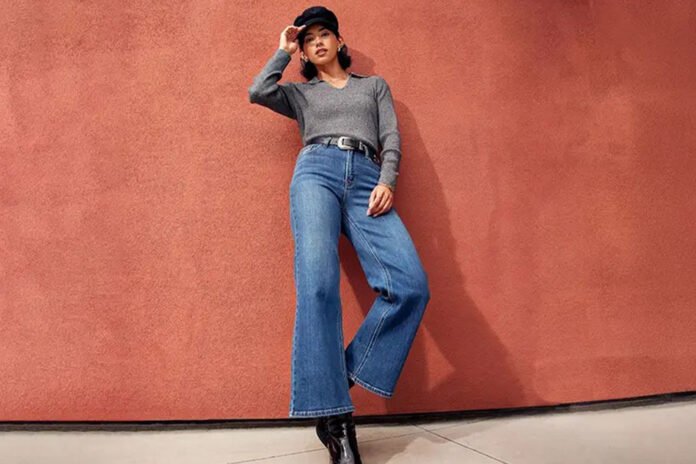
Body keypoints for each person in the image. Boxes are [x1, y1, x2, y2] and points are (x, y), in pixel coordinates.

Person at [248, 6, 431, 464]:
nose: (317, 42)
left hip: (368, 178)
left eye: (324, 34)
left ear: (339, 41)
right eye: (308, 39)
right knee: (318, 286)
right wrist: (282, 50)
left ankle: (332, 381)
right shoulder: (301, 94)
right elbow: (258, 90)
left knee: (410, 285)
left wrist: (388, 180)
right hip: (316, 173)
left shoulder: (373, 86)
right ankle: (339, 423)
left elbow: (391, 137)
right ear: (303, 51)